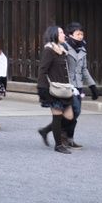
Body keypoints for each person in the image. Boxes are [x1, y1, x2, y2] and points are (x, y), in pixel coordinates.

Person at [37, 25, 76, 154]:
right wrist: (43, 89)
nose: (64, 34)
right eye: (61, 32)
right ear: (54, 34)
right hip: (53, 89)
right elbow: (43, 70)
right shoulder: (49, 50)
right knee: (57, 116)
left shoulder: (63, 49)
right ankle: (58, 145)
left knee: (69, 116)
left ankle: (45, 130)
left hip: (65, 89)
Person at [62, 22, 98, 149]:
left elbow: (84, 70)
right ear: (70, 34)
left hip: (78, 85)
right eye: (78, 33)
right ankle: (62, 134)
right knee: (74, 110)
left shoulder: (83, 49)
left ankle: (69, 138)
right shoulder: (64, 47)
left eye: (82, 34)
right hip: (67, 85)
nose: (80, 36)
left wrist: (92, 86)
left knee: (76, 112)